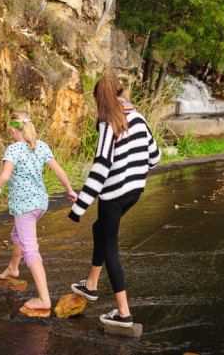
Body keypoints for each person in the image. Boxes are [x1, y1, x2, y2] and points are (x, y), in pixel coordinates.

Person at [68, 77, 161, 328]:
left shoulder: (108, 123)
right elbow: (154, 157)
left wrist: (80, 206)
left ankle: (124, 313)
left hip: (114, 195)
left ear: (100, 98)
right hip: (134, 191)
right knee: (99, 229)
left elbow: (102, 165)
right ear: (120, 93)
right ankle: (91, 285)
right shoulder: (138, 118)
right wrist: (133, 165)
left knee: (110, 248)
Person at [0, 111, 77, 310]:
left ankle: (44, 299)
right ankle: (12, 268)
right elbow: (59, 170)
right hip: (40, 203)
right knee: (17, 234)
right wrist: (70, 190)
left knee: (31, 250)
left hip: (25, 206)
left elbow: (4, 177)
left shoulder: (13, 149)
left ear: (13, 129)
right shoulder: (41, 145)